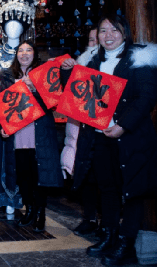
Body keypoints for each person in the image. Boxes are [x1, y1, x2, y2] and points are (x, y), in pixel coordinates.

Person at [61, 14, 157, 266]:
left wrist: (122, 125)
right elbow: (75, 93)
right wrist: (67, 72)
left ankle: (126, 244)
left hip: (131, 137)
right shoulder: (91, 61)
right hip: (98, 135)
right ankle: (110, 235)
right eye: (103, 31)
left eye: (115, 30)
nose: (109, 35)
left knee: (133, 190)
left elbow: (146, 98)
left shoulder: (140, 59)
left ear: (124, 32)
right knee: (107, 188)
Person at [0, 40, 63, 232]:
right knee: (23, 175)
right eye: (21, 50)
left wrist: (36, 89)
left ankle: (40, 212)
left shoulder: (44, 75)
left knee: (39, 175)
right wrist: (4, 126)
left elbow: (54, 103)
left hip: (39, 131)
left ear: (35, 54)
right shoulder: (7, 76)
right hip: (18, 133)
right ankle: (28, 210)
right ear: (16, 54)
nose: (24, 53)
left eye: (29, 50)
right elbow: (2, 104)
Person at [61, 25, 100, 235]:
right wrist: (67, 70)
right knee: (86, 177)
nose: (95, 44)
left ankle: (107, 224)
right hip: (82, 131)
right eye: (92, 40)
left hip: (108, 131)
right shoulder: (80, 66)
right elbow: (68, 94)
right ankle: (89, 218)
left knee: (106, 179)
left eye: (99, 39)